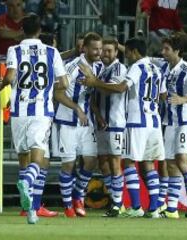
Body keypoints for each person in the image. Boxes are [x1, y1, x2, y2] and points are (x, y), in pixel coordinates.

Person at [79, 38, 165, 218]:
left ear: (133, 52)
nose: (127, 55)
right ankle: (154, 208)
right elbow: (163, 95)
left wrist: (94, 82)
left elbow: (120, 88)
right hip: (154, 121)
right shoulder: (156, 68)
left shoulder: (135, 67)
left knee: (127, 162)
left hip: (136, 121)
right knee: (148, 163)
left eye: (127, 51)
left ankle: (134, 206)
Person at [0, 13, 68, 224]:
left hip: (19, 112)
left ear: (22, 30)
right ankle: (27, 183)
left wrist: (1, 85)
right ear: (39, 30)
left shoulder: (14, 50)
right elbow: (63, 83)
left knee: (23, 159)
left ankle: (32, 212)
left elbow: (9, 77)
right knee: (39, 156)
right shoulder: (52, 52)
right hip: (41, 112)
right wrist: (45, 87)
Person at [54, 32, 103, 218]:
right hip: (68, 120)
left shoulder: (97, 67)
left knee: (91, 161)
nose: (98, 52)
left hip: (86, 121)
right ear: (85, 49)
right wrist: (76, 109)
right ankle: (68, 206)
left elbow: (90, 95)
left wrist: (97, 115)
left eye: (100, 48)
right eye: (95, 49)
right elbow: (58, 94)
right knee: (68, 164)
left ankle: (78, 196)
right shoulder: (72, 67)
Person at [158, 35, 187, 219]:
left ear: (177, 51)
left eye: (167, 49)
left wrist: (182, 99)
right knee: (170, 164)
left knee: (182, 160)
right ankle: (171, 208)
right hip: (169, 122)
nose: (163, 52)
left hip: (186, 121)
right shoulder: (163, 67)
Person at [94, 38, 128, 217]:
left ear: (116, 52)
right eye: (103, 51)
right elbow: (95, 96)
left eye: (109, 51)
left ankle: (118, 203)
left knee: (115, 161)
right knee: (102, 161)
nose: (105, 54)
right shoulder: (100, 69)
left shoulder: (120, 68)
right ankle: (114, 197)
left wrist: (93, 82)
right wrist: (98, 115)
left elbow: (114, 89)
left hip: (115, 122)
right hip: (101, 123)